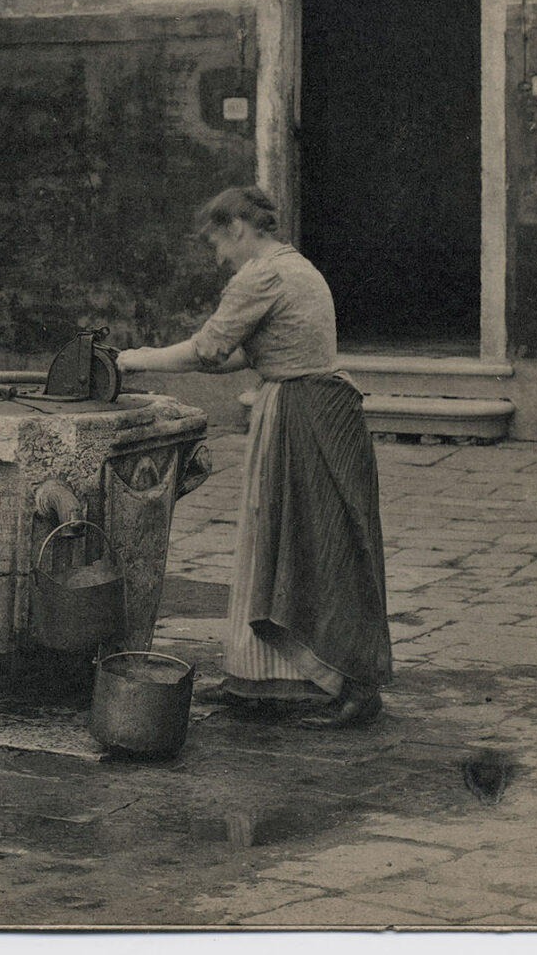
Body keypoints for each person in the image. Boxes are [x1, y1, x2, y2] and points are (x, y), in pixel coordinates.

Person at [116, 185, 391, 728]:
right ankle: (262, 679)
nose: (220, 258)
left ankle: (351, 686)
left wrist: (134, 360)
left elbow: (208, 349)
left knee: (312, 545)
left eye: (219, 244)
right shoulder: (298, 268)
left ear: (238, 228)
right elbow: (247, 352)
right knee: (288, 543)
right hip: (318, 407)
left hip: (301, 416)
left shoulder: (262, 274)